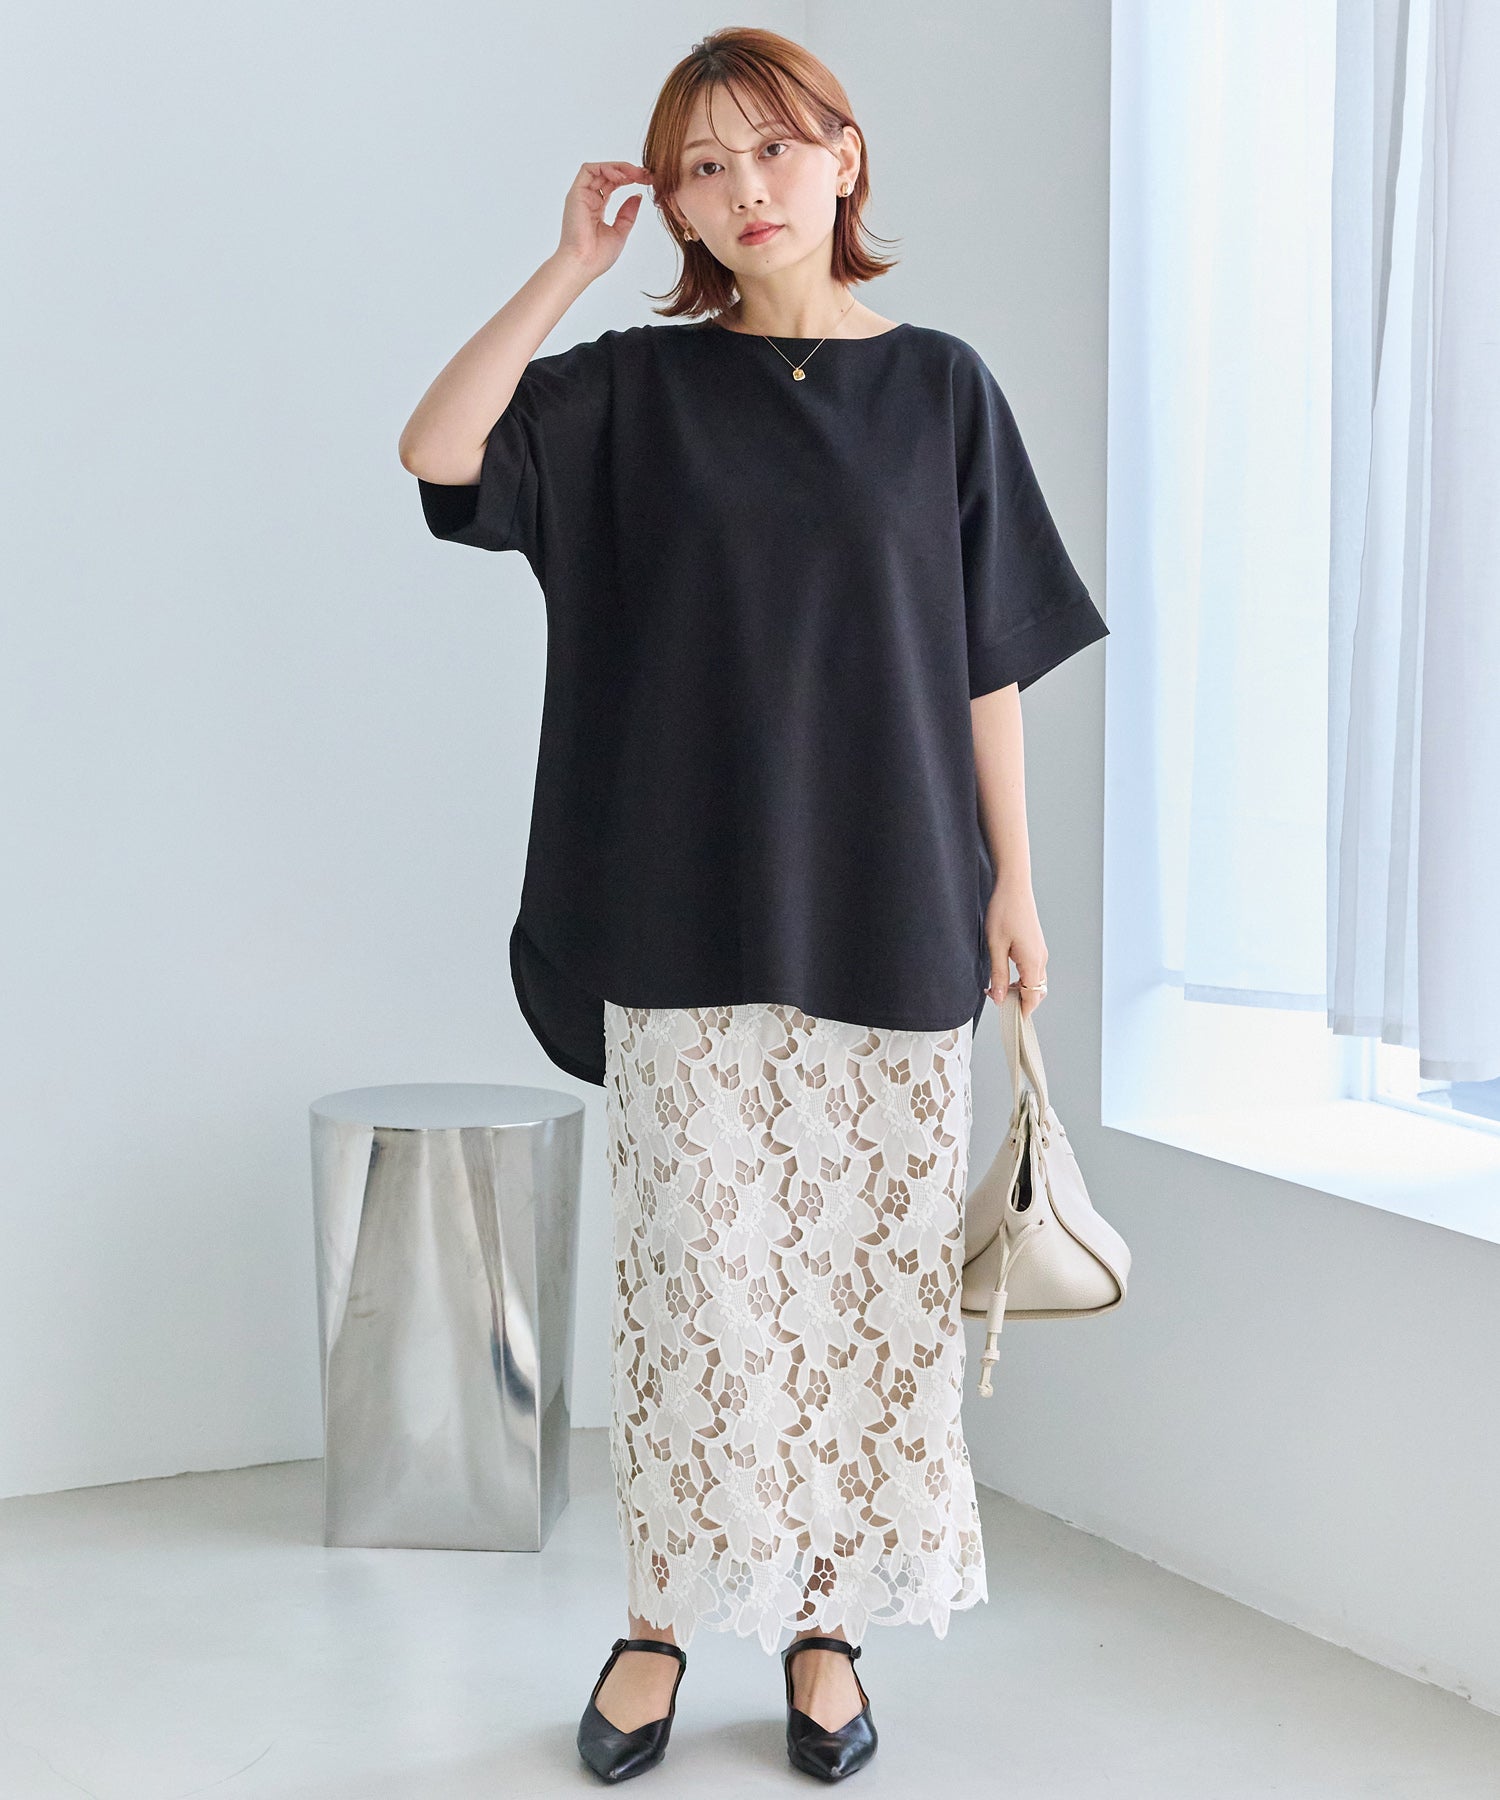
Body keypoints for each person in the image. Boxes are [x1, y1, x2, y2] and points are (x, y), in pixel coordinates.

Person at [398, 26, 1108, 1786]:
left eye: (774, 150)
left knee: (863, 1297)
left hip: (893, 900)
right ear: (676, 204)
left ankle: (823, 1625)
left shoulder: (940, 389)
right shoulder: (630, 392)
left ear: (845, 158)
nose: (744, 190)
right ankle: (656, 1620)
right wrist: (568, 269)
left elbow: (986, 663)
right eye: (702, 168)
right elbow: (438, 451)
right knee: (692, 1295)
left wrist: (1017, 884)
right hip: (682, 907)